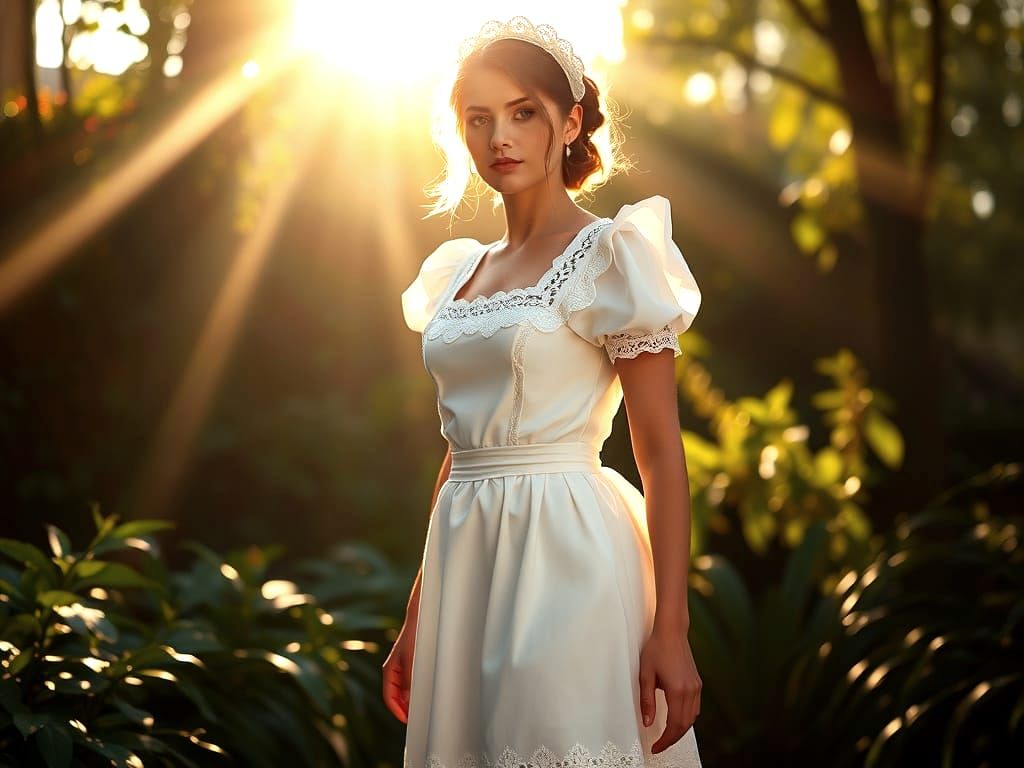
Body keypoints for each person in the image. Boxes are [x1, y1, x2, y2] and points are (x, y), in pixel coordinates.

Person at [383, 15, 704, 768]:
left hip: (566, 554)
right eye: (479, 119)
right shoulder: (459, 271)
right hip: (467, 559)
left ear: (571, 122)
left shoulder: (612, 255)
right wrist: (416, 615)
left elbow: (660, 453)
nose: (501, 136)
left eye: (523, 113)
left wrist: (672, 629)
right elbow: (460, 450)